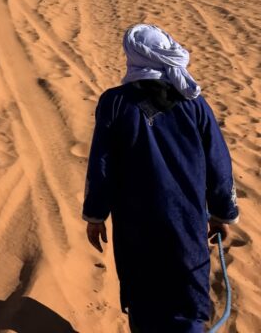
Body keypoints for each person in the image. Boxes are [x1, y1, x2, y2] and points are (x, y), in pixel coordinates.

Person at [83, 24, 239, 332]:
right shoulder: (194, 102)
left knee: (143, 296)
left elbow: (101, 164)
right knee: (188, 296)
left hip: (136, 224)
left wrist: (95, 215)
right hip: (186, 221)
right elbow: (219, 163)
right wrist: (222, 213)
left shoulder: (115, 102)